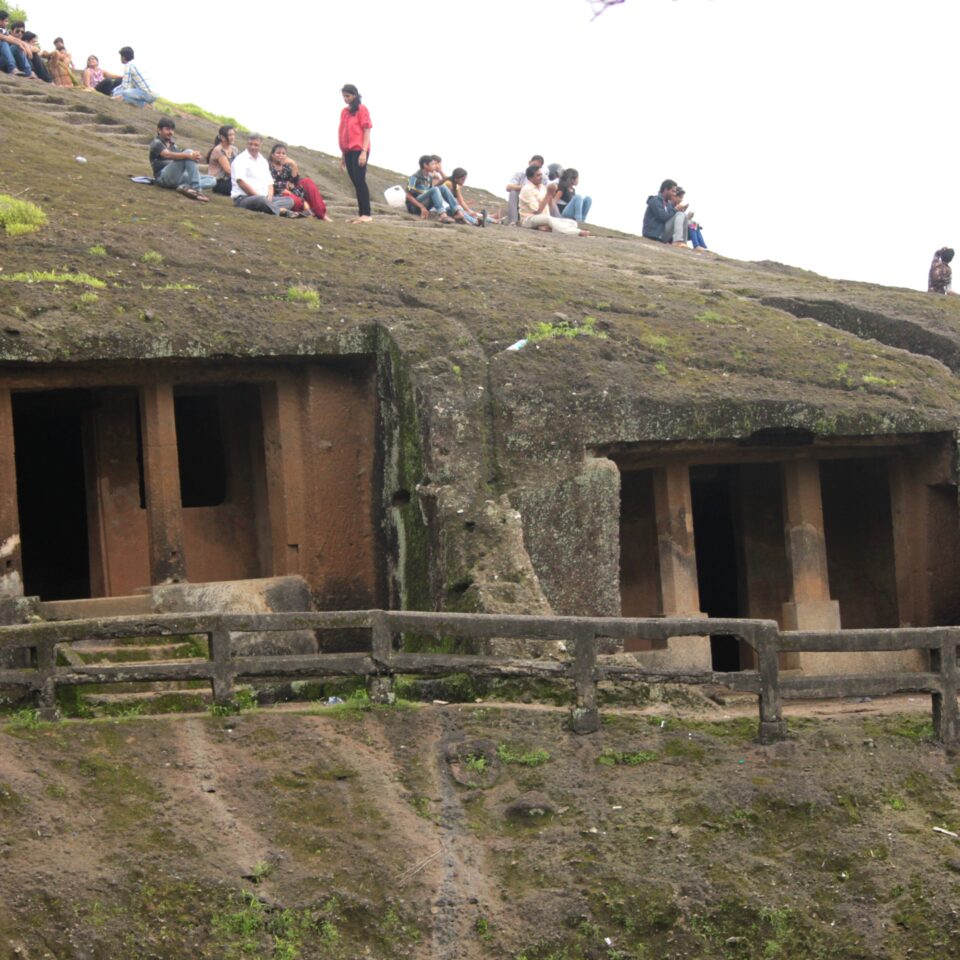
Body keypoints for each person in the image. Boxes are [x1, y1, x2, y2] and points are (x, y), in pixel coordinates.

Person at [231, 133, 296, 216]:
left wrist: (270, 196)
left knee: (289, 201)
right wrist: (258, 196)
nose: (253, 147)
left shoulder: (263, 161)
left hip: (264, 198)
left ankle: (268, 208)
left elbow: (269, 182)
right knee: (261, 200)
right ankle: (280, 211)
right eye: (250, 144)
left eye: (256, 145)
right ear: (247, 144)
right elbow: (241, 182)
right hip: (244, 198)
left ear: (261, 146)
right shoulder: (240, 159)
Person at [149, 118, 210, 202]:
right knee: (188, 153)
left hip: (177, 178)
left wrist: (195, 157)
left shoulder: (174, 146)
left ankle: (184, 187)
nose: (170, 132)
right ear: (159, 130)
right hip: (163, 177)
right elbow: (167, 155)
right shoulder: (156, 143)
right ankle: (196, 189)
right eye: (167, 129)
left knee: (211, 180)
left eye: (172, 130)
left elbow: (184, 158)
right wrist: (190, 155)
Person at [268, 143, 331, 221]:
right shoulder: (268, 166)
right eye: (278, 153)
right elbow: (274, 185)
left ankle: (321, 213)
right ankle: (305, 210)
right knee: (291, 196)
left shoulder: (286, 167)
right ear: (272, 155)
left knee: (307, 182)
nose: (281, 155)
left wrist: (293, 164)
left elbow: (294, 180)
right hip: (279, 194)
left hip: (292, 190)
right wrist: (287, 186)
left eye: (283, 153)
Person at [518, 166, 588, 236]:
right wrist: (548, 194)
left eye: (541, 174)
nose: (541, 177)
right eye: (538, 175)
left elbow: (549, 205)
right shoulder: (527, 189)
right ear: (530, 178)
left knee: (572, 223)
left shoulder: (542, 187)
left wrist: (551, 195)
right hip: (529, 219)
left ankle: (545, 227)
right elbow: (537, 212)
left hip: (543, 217)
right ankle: (577, 232)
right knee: (548, 219)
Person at [338, 83, 372, 223]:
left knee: (360, 180)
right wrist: (343, 156)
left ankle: (366, 214)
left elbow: (367, 130)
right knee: (355, 182)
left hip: (359, 149)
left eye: (348, 96)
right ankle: (361, 214)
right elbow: (344, 133)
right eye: (344, 96)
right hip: (348, 151)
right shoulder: (344, 112)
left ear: (355, 95)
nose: (346, 99)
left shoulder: (362, 109)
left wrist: (364, 151)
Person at [405, 155, 465, 223]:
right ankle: (443, 215)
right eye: (432, 164)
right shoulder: (414, 177)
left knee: (443, 187)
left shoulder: (429, 177)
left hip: (425, 204)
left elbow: (430, 192)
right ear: (425, 165)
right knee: (435, 189)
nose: (434, 166)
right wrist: (422, 207)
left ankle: (458, 211)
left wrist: (444, 179)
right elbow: (408, 196)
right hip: (414, 207)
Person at [642, 179, 689, 247]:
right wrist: (676, 209)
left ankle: (682, 243)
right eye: (673, 191)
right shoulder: (655, 200)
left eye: (675, 192)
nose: (674, 194)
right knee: (679, 214)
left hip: (662, 234)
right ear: (665, 190)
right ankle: (677, 241)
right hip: (653, 234)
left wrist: (678, 210)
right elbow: (663, 217)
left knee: (683, 215)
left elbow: (670, 216)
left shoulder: (668, 204)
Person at [506, 155, 544, 225]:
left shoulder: (541, 177)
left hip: (533, 202)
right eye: (534, 165)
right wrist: (526, 187)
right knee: (513, 192)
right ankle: (513, 221)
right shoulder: (520, 174)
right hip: (520, 200)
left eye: (537, 167)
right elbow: (508, 187)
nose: (534, 168)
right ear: (529, 162)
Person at [206, 125, 238, 196]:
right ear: (222, 137)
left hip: (229, 180)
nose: (233, 137)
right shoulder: (219, 150)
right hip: (217, 182)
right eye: (230, 135)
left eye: (233, 134)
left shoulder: (234, 149)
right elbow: (228, 171)